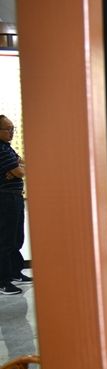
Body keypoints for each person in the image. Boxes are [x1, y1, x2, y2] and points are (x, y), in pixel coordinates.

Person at [0, 115, 32, 296]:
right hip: (5, 198)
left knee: (16, 238)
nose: (12, 132)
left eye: (13, 128)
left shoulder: (7, 147)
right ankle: (3, 281)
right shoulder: (1, 149)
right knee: (6, 240)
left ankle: (14, 272)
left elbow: (22, 165)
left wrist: (17, 170)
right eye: (8, 129)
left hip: (14, 197)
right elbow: (20, 172)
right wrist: (17, 171)